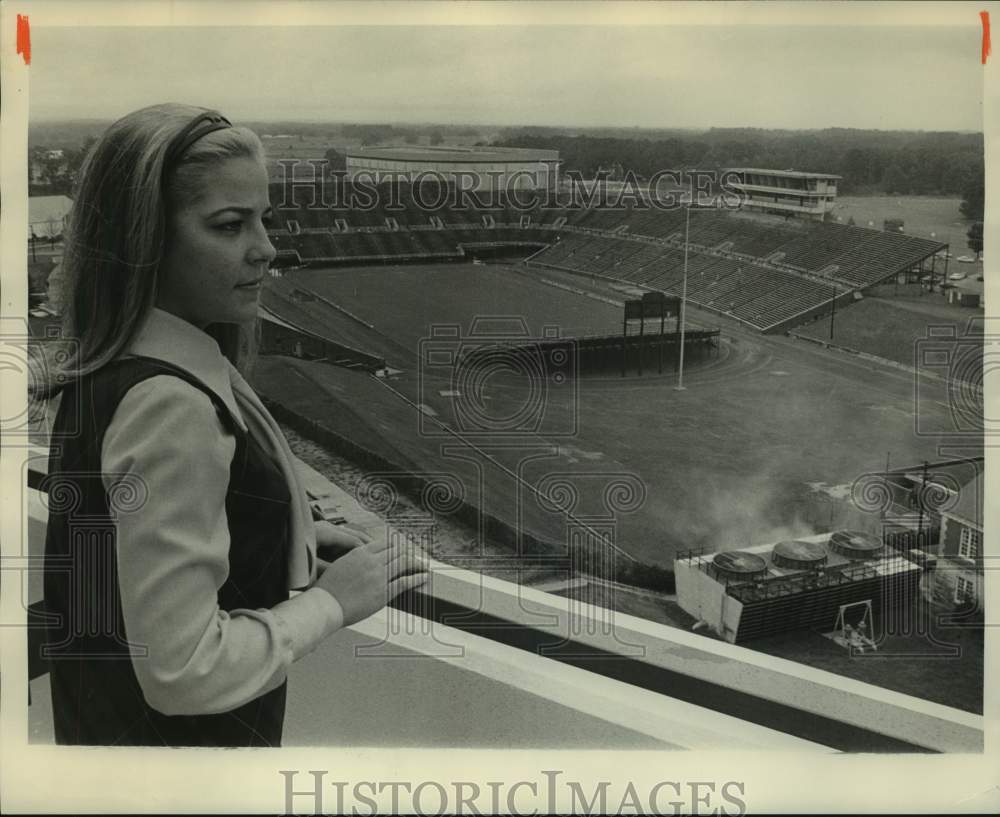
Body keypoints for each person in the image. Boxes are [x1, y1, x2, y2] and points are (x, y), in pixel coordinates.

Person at [34, 103, 428, 747]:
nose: (266, 249)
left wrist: (287, 531)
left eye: (263, 220)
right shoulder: (171, 402)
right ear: (145, 241)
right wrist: (335, 602)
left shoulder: (110, 369)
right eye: (229, 225)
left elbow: (126, 546)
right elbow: (184, 671)